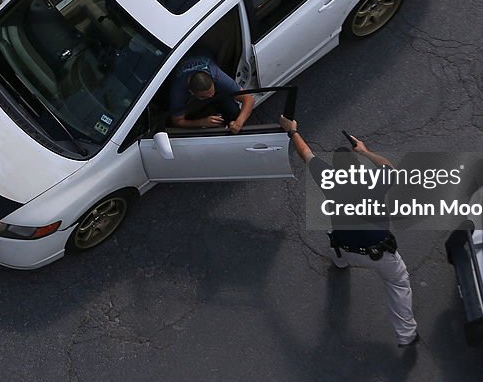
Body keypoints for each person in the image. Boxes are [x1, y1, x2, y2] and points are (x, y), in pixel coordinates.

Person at [278, 115, 420, 349]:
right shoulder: (374, 179)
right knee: (398, 284)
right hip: (380, 253)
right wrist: (364, 150)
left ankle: (341, 264)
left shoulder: (330, 179)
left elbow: (306, 154)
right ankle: (406, 334)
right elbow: (388, 167)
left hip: (345, 246)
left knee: (337, 245)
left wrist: (292, 131)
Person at [168, 54, 255, 133]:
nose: (211, 96)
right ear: (191, 92)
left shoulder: (217, 75)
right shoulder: (178, 90)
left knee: (231, 107)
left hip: (201, 51)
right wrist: (202, 122)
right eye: (204, 96)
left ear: (213, 80)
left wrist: (238, 123)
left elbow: (248, 99)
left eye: (211, 92)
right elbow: (177, 121)